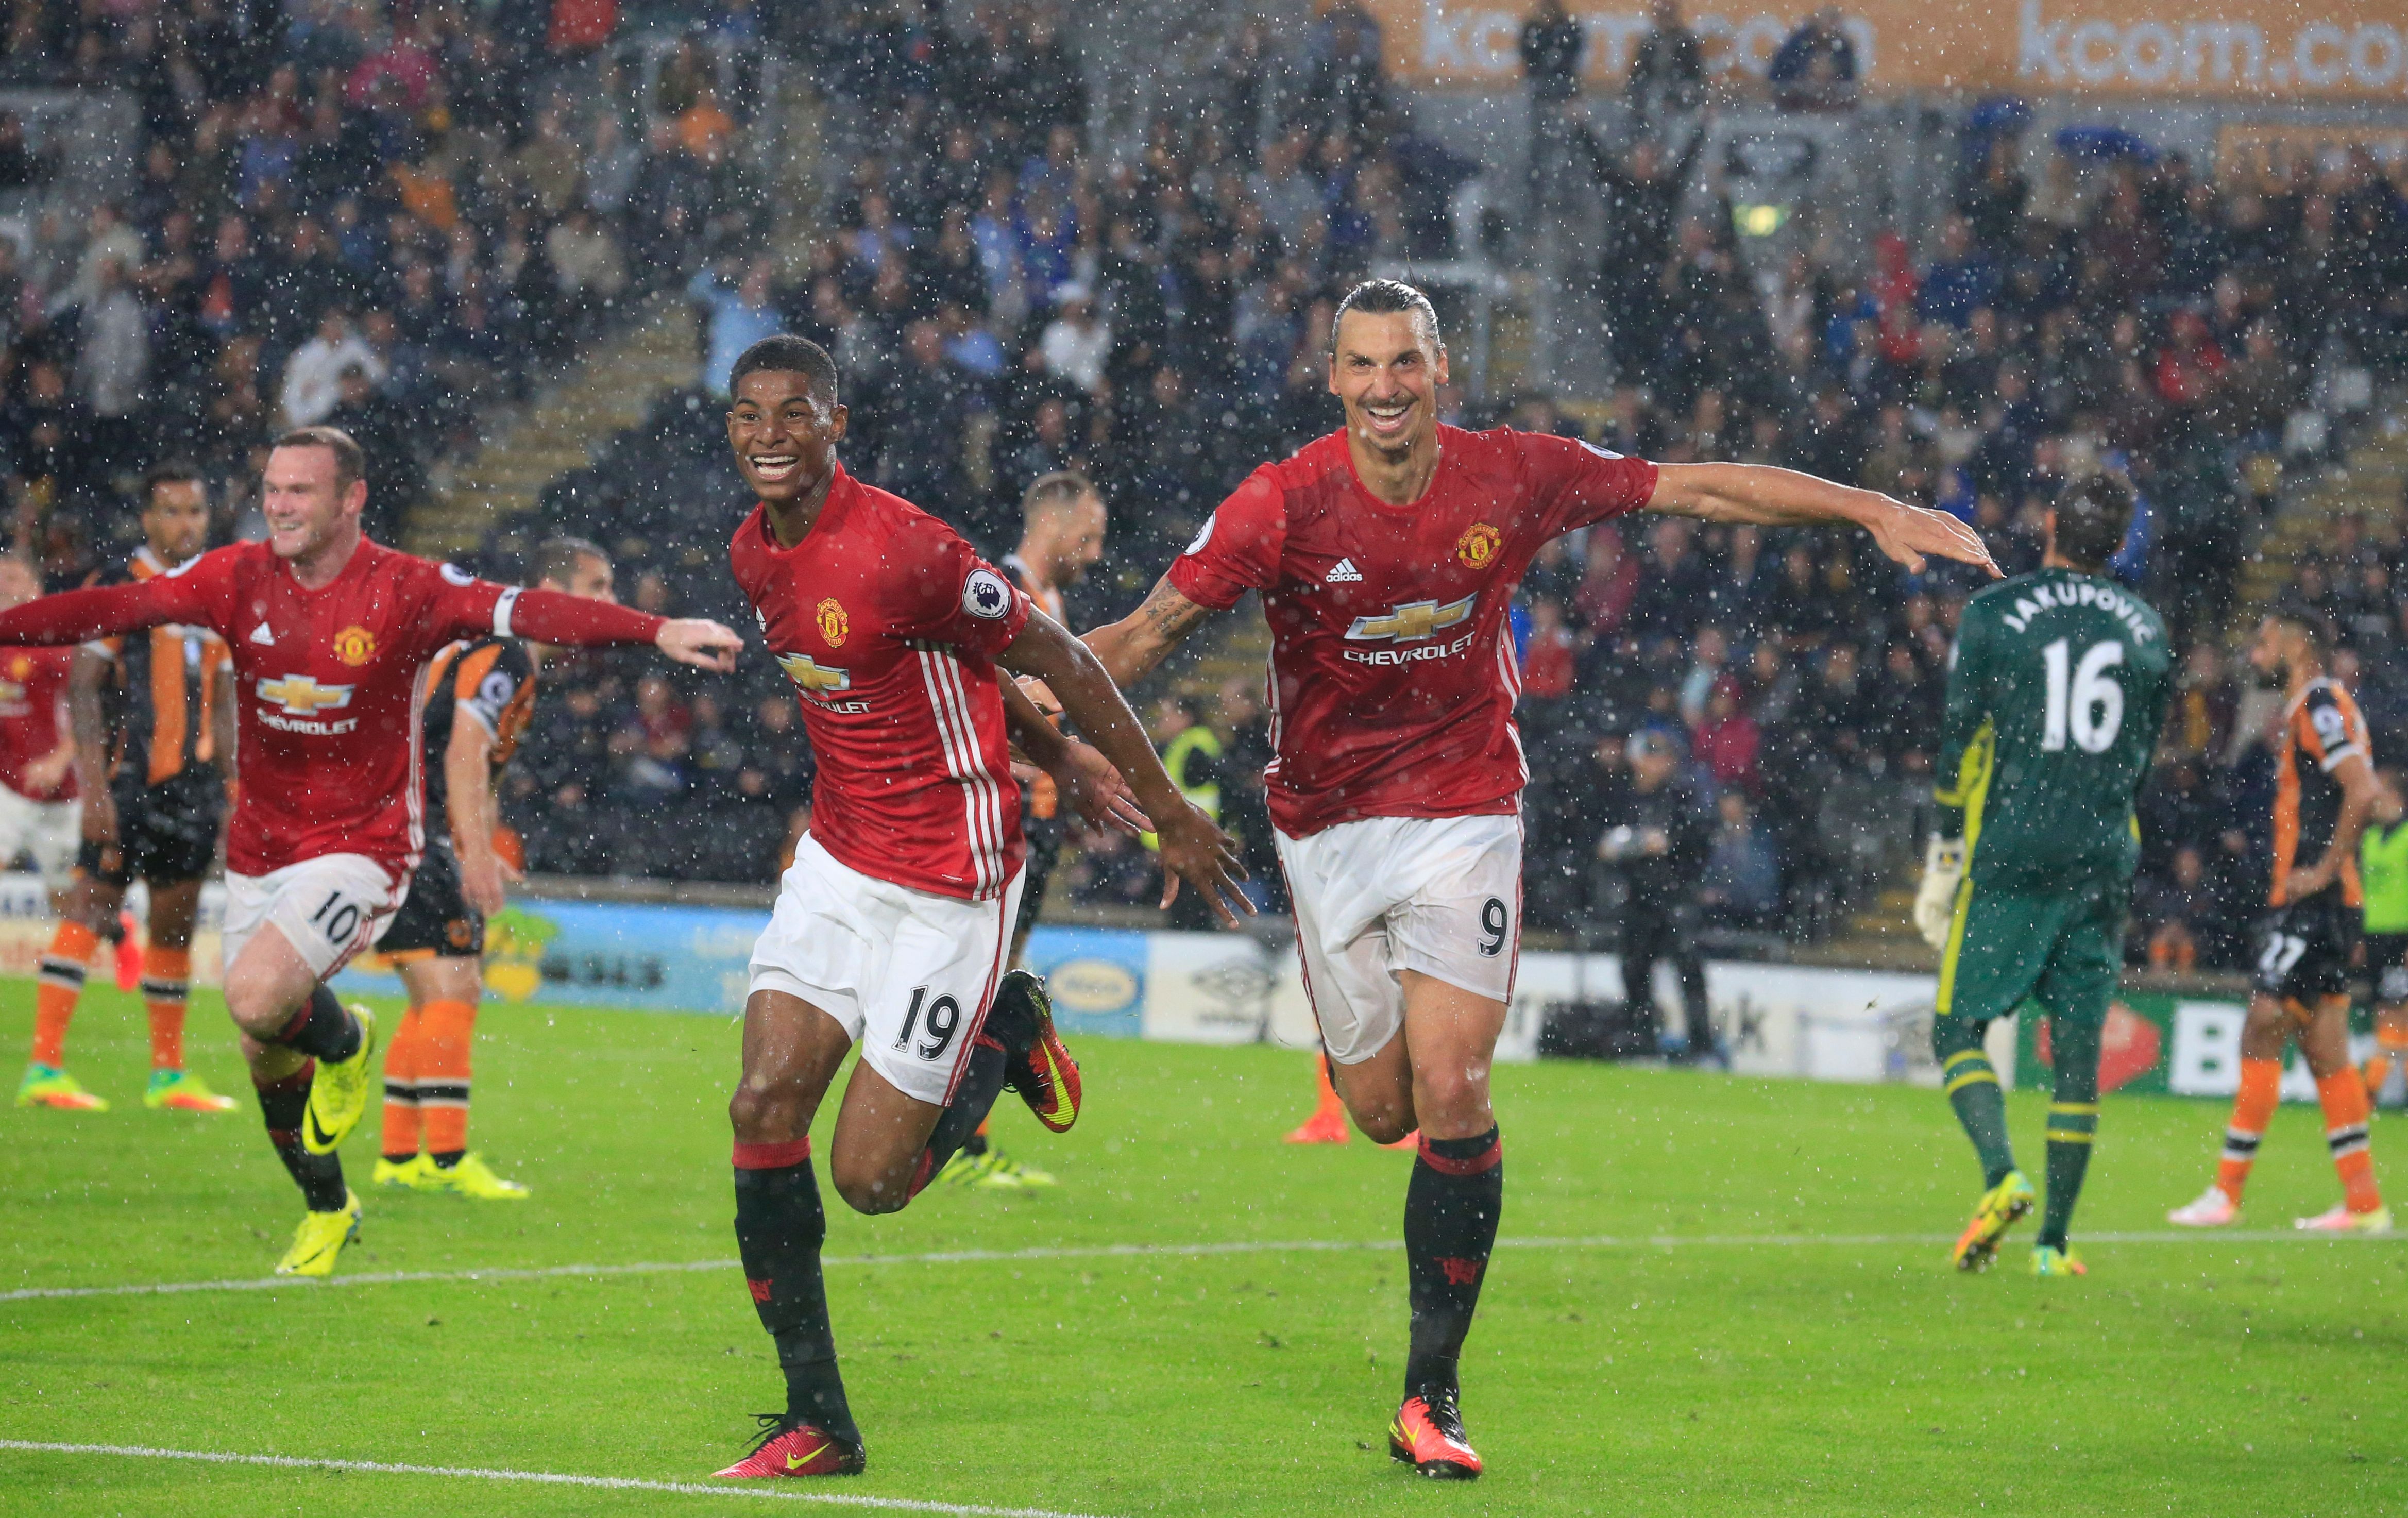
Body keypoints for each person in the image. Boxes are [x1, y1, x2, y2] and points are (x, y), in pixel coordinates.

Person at [1079, 278, 1995, 1480]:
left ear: (1440, 368)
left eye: (1404, 362)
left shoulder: (1512, 471)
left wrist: (1865, 506)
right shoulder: (1282, 501)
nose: (1384, 387)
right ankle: (1424, 1313)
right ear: (1333, 377)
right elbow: (1143, 633)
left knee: (1453, 1083)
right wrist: (1012, 701)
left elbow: (1697, 485)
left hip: (1464, 811)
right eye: (1361, 366)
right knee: (1380, 1110)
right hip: (1324, 828)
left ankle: (1429, 1388)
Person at [0, 427, 743, 1277]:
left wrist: (654, 630)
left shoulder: (410, 588)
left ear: (350, 499)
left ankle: (349, 1046)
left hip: (365, 845)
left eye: (299, 492)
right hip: (260, 849)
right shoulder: (234, 575)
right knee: (261, 1045)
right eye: (272, 489)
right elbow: (105, 611)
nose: (278, 506)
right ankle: (327, 1204)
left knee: (255, 993)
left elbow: (530, 607)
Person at [707, 336, 1244, 1481]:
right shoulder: (754, 556)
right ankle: (819, 1421)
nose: (768, 436)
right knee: (761, 1106)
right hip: (840, 863)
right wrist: (1055, 749)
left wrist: (1162, 807)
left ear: (833, 424)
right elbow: (943, 676)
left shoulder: (908, 548)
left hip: (954, 882)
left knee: (872, 1186)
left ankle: (1008, 1023)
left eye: (792, 415)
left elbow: (1060, 660)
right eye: (748, 415)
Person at [1911, 475, 2174, 1277]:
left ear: (2051, 521)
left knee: (1956, 1029)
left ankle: (2002, 1174)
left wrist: (1947, 847)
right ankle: (2054, 1246)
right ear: (2121, 536)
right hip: (2102, 853)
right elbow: (2141, 760)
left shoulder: (1993, 614)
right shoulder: (2149, 631)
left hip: (2015, 846)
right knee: (2076, 1057)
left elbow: (1959, 739)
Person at [372, 536, 620, 1200]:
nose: (609, 604)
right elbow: (462, 754)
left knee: (431, 994)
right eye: (596, 588)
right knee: (456, 990)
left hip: (406, 827)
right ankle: (449, 1163)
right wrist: (476, 856)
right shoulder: (505, 653)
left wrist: (480, 839)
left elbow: (477, 768)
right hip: (415, 832)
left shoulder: (508, 657)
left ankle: (400, 1158)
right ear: (552, 590)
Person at [20, 466, 236, 1116]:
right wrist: (94, 790)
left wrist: (233, 788)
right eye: (171, 511)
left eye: (195, 511)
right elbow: (84, 688)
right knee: (90, 910)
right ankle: (44, 1065)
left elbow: (224, 702)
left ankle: (168, 1075)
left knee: (174, 929)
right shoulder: (119, 587)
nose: (185, 524)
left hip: (195, 792)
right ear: (147, 519)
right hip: (130, 781)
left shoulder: (219, 593)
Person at [2168, 612, 2390, 1234]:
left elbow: (2364, 790)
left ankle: (2226, 1192)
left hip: (2317, 903)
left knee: (2263, 1022)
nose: (2255, 651)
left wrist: (2322, 870)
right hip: (2320, 903)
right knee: (2325, 1051)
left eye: (2264, 640)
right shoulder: (2314, 705)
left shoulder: (2320, 704)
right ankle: (2364, 1203)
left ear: (2296, 641)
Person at [938, 468, 1109, 1193]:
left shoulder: (1054, 602)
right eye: (1089, 535)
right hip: (998, 816)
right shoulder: (1001, 591)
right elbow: (983, 696)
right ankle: (956, 1147)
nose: (1096, 551)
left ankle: (962, 1141)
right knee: (981, 979)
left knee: (997, 981)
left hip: (1034, 819)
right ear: (1053, 523)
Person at [2, 555, 88, 1108]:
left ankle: (121, 939)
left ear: (35, 588)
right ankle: (45, 1063)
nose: (8, 590)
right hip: (10, 792)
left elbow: (87, 710)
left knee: (71, 904)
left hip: (64, 798)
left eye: (16, 581)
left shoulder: (55, 648)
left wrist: (60, 758)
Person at [1598, 730, 1714, 1058]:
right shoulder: (1620, 797)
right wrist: (1638, 845)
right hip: (1636, 897)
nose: (1661, 763)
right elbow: (1603, 845)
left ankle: (1700, 1044)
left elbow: (1696, 840)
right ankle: (1642, 1039)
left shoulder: (1681, 797)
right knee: (1634, 969)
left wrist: (1662, 845)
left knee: (1689, 967)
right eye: (1654, 755)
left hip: (1676, 896)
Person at [2358, 767, 2408, 1105]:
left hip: (2401, 936)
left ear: (2396, 797)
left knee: (2398, 1014)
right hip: (2375, 937)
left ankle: (2370, 1091)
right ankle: (2372, 1089)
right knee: (2386, 1013)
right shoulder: (2370, 838)